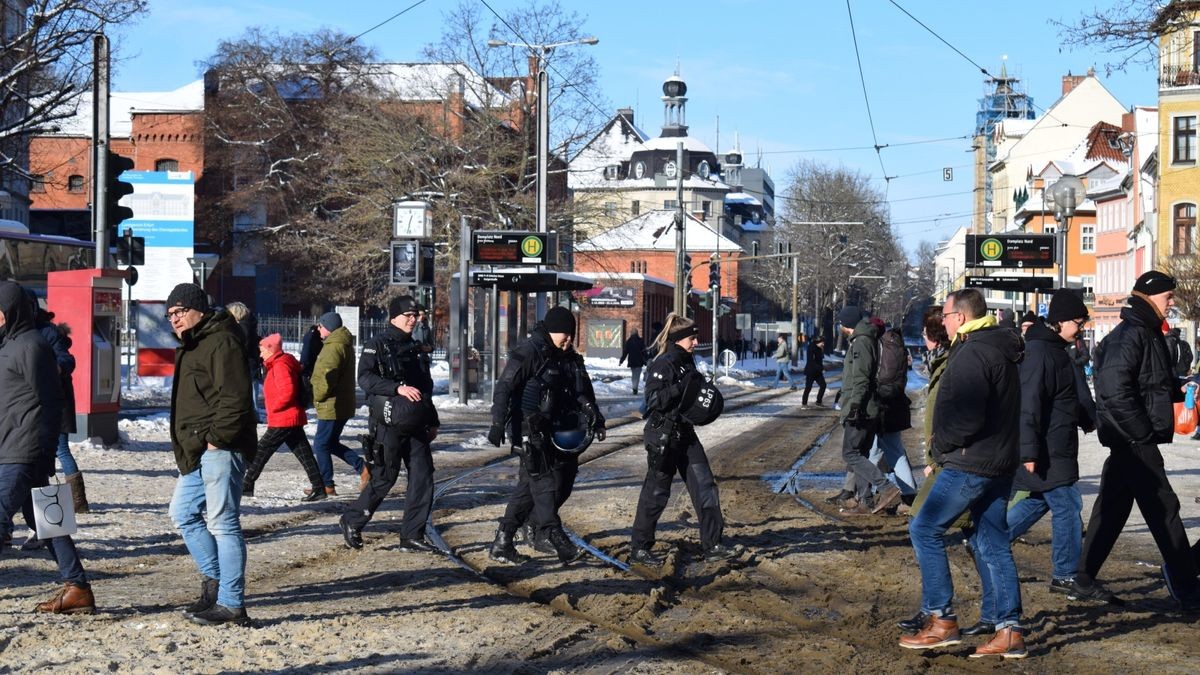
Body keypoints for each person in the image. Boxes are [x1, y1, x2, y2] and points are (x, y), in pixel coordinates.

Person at [901, 288, 1026, 659]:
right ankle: (1009, 631)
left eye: (947, 315)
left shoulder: (973, 351)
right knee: (991, 541)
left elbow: (968, 416)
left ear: (960, 316)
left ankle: (941, 620)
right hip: (999, 460)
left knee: (924, 528)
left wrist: (940, 447)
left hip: (971, 462)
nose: (944, 321)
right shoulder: (997, 346)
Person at [1075, 271, 1200, 610]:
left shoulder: (1144, 331)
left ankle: (1082, 576)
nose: (1172, 303)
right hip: (1133, 440)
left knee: (1112, 510)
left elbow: (1147, 382)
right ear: (1149, 296)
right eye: (1168, 297)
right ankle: (1187, 586)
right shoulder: (1131, 334)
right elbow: (1115, 391)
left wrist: (1178, 386)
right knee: (1165, 510)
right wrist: (1141, 432)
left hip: (1129, 439)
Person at [0, 281, 96, 614]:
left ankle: (78, 587)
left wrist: (41, 450)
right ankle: (78, 589)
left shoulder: (30, 345)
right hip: (13, 445)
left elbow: (50, 399)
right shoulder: (9, 345)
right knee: (45, 519)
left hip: (23, 449)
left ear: (6, 313)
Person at [165, 283, 257, 625]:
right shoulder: (195, 341)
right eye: (170, 314)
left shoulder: (220, 340)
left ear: (197, 309)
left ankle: (233, 604)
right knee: (183, 512)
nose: (174, 319)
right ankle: (215, 583)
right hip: (198, 449)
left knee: (223, 524)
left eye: (179, 312)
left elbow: (234, 397)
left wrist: (217, 440)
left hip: (220, 447)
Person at [1002, 290, 1096, 616]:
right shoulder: (1041, 352)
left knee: (1038, 501)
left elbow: (1068, 396)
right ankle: (1065, 575)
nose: (1081, 327)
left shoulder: (1056, 350)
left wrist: (1089, 419)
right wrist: (1028, 450)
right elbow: (1029, 404)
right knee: (1068, 504)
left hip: (1056, 445)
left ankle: (989, 540)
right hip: (1046, 447)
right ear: (1059, 321)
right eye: (1077, 321)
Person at [487, 306, 605, 565]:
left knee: (546, 486)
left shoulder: (568, 357)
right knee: (542, 483)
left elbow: (582, 390)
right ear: (551, 331)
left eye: (572, 334)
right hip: (529, 429)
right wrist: (497, 422)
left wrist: (594, 416)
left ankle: (505, 541)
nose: (569, 339)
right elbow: (505, 387)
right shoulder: (530, 352)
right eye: (565, 333)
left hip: (560, 431)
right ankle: (552, 534)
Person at [629, 313, 736, 565]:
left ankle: (713, 544)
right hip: (663, 436)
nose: (696, 342)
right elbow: (654, 400)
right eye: (692, 338)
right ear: (678, 340)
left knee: (706, 487)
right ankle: (640, 548)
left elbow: (692, 399)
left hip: (685, 435)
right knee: (656, 493)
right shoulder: (663, 363)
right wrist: (681, 387)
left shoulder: (688, 363)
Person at [340, 297, 440, 552]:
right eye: (408, 314)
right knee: (385, 476)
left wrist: (432, 420)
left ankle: (412, 535)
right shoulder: (377, 345)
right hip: (387, 422)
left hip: (416, 422)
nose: (412, 319)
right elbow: (365, 378)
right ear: (393, 317)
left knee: (422, 477)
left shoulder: (416, 348)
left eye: (415, 315)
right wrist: (396, 388)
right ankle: (352, 520)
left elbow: (425, 388)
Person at [242, 334, 326, 501]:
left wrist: (274, 407)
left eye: (262, 350)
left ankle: (246, 484)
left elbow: (287, 392)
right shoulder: (277, 363)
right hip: (288, 417)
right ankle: (319, 487)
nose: (260, 354)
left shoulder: (280, 365)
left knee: (261, 450)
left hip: (284, 418)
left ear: (270, 349)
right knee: (304, 454)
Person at [835, 306, 901, 515]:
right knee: (860, 452)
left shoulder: (861, 342)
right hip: (867, 406)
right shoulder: (864, 339)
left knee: (850, 453)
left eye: (840, 323)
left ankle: (886, 487)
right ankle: (866, 501)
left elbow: (861, 378)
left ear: (847, 325)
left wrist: (854, 405)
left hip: (862, 408)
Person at [309, 311, 367, 496]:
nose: (318, 329)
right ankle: (363, 468)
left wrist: (317, 396)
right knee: (330, 442)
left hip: (332, 404)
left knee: (320, 444)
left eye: (321, 325)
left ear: (328, 327)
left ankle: (326, 484)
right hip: (340, 403)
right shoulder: (342, 343)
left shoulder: (333, 346)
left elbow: (327, 376)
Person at [299, 321, 323, 408]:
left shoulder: (309, 335)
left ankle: (308, 398)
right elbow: (310, 349)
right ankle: (308, 399)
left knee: (306, 379)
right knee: (308, 381)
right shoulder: (314, 337)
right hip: (309, 362)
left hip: (307, 361)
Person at [619, 329, 647, 396]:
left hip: (631, 361)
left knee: (633, 375)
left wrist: (621, 361)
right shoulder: (641, 341)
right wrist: (646, 359)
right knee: (637, 375)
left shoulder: (628, 341)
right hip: (639, 361)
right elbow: (644, 352)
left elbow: (625, 352)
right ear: (637, 333)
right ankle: (635, 388)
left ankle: (634, 387)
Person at [802, 336, 826, 407]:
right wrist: (820, 368)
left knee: (823, 385)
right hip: (811, 371)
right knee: (808, 387)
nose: (823, 344)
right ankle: (804, 403)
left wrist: (821, 368)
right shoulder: (811, 348)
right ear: (818, 342)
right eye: (822, 343)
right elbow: (811, 361)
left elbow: (819, 360)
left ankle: (819, 401)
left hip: (818, 372)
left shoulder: (820, 348)